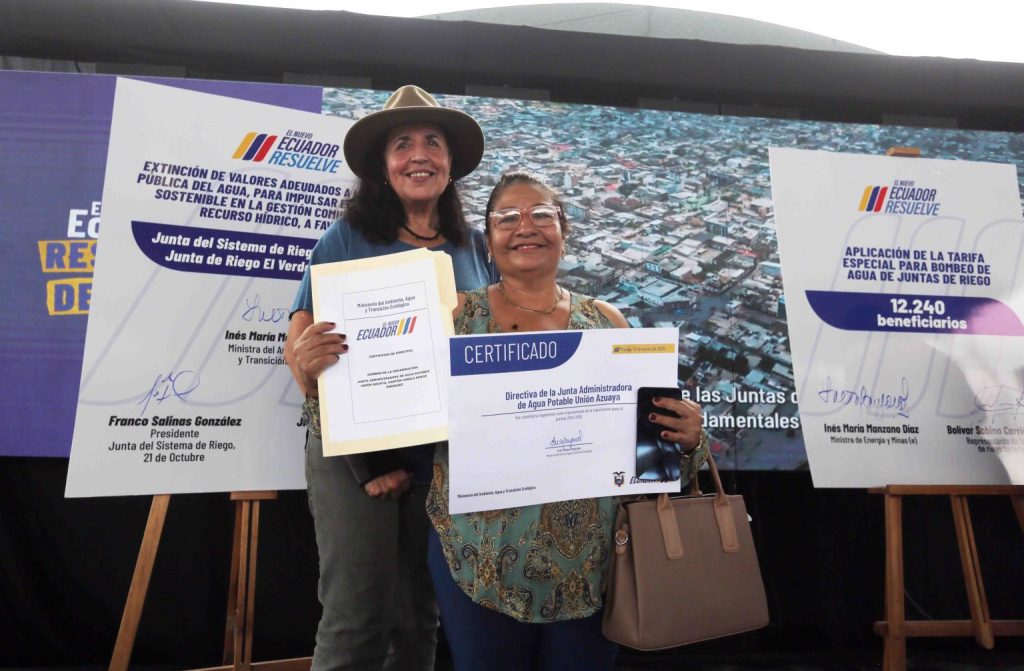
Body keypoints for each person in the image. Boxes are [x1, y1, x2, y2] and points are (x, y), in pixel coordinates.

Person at [425, 171, 709, 671]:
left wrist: (684, 440)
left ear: (564, 230)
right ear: (488, 239)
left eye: (541, 214)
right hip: (478, 562)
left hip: (592, 568)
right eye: (506, 218)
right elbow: (400, 412)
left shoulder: (608, 324)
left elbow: (650, 462)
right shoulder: (453, 320)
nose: (525, 226)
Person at [284, 85, 494, 671]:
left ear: (450, 163)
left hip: (444, 457)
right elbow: (299, 355)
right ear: (383, 164)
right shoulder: (345, 239)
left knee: (419, 615)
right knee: (356, 618)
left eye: (433, 142)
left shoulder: (478, 247)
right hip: (356, 456)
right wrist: (370, 459)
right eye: (402, 144)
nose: (418, 154)